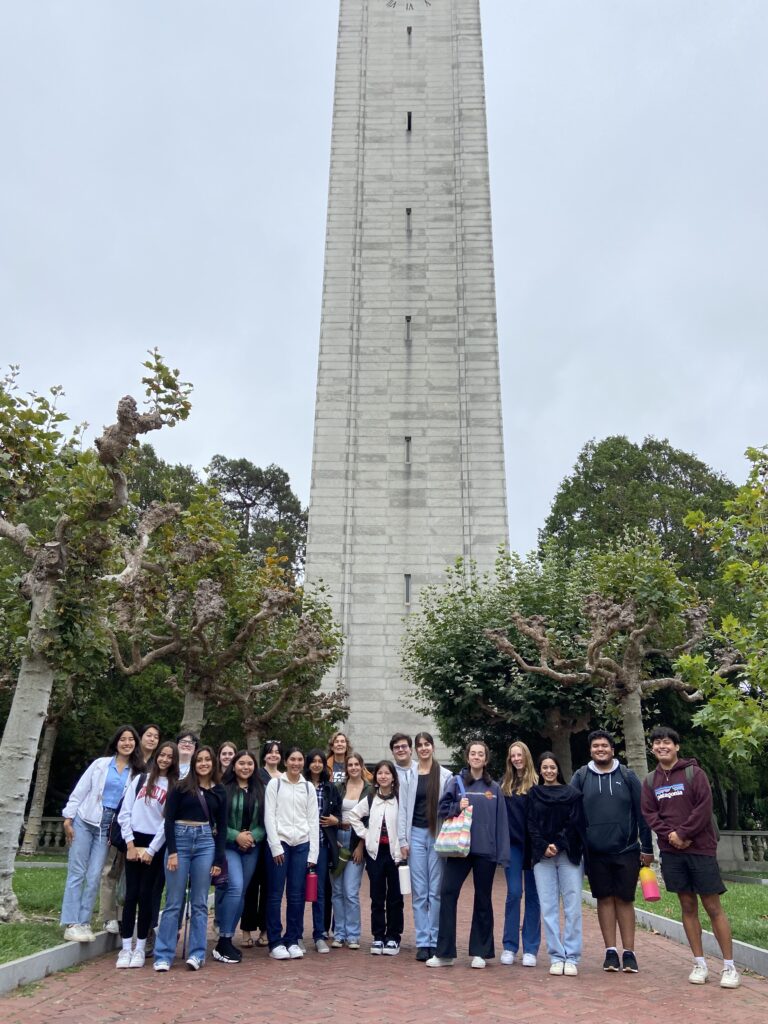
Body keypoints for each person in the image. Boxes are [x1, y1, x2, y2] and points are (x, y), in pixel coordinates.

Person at [641, 726, 740, 989]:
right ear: (652, 749)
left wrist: (683, 833)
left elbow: (704, 807)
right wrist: (671, 836)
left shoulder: (694, 773)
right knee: (687, 906)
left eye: (667, 742)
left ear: (676, 746)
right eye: (657, 743)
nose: (662, 746)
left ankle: (730, 967)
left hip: (700, 848)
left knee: (712, 906)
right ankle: (700, 963)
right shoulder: (650, 781)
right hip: (672, 852)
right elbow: (650, 814)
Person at [570, 729, 653, 974]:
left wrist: (647, 849)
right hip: (595, 852)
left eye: (604, 746)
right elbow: (571, 812)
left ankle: (629, 953)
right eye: (595, 746)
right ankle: (610, 952)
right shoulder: (581, 776)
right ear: (590, 750)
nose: (600, 749)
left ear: (612, 749)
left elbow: (643, 814)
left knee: (625, 900)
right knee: (604, 899)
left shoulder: (627, 776)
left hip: (627, 850)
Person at [427, 740, 509, 970]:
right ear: (467, 757)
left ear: (486, 758)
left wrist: (501, 854)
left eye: (480, 753)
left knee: (483, 899)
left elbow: (501, 822)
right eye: (473, 753)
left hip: (486, 852)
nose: (476, 757)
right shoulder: (455, 782)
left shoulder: (494, 788)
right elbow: (442, 810)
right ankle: (444, 953)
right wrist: (457, 807)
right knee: (448, 893)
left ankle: (481, 952)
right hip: (458, 850)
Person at [60, 725, 143, 942]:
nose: (127, 743)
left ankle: (84, 922)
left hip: (107, 828)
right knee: (77, 871)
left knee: (95, 874)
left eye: (131, 740)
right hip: (84, 821)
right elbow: (81, 790)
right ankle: (71, 922)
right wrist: (68, 819)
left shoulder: (136, 773)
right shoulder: (100, 764)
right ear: (116, 742)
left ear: (136, 744)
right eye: (123, 739)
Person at [153, 746, 226, 972]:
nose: (203, 763)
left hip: (205, 842)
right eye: (199, 760)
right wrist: (172, 851)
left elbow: (222, 828)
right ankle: (163, 954)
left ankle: (196, 953)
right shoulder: (181, 787)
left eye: (207, 760)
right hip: (180, 839)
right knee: (174, 901)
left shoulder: (220, 791)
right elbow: (168, 820)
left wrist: (218, 860)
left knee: (200, 902)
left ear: (213, 763)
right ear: (193, 763)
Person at [116, 741, 179, 968]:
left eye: (169, 757)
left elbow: (167, 822)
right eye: (162, 755)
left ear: (174, 761)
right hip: (134, 840)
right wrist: (130, 845)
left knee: (146, 896)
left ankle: (141, 946)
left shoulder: (174, 786)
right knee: (130, 894)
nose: (164, 759)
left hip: (155, 844)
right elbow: (125, 813)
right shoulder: (140, 779)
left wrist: (152, 850)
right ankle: (125, 947)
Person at [527, 752, 585, 977]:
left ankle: (572, 956)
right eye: (545, 767)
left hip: (568, 855)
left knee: (572, 907)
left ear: (558, 769)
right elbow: (530, 824)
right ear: (540, 770)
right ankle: (556, 955)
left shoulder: (573, 794)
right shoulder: (534, 794)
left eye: (552, 767)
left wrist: (558, 844)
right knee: (548, 908)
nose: (549, 771)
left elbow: (575, 824)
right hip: (542, 858)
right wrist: (543, 846)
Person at [397, 731, 451, 960]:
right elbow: (403, 810)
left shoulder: (446, 775)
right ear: (416, 750)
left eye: (426, 744)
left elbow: (451, 806)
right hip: (416, 835)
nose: (423, 748)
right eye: (419, 745)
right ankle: (422, 941)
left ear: (433, 747)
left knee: (435, 891)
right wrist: (403, 840)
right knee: (420, 892)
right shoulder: (409, 776)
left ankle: (435, 938)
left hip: (437, 835)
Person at [264, 747, 319, 960]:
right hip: (281, 844)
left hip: (302, 845)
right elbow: (269, 816)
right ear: (286, 762)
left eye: (299, 759)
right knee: (275, 894)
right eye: (292, 759)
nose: (296, 763)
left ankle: (293, 938)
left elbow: (313, 821)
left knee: (296, 895)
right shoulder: (275, 784)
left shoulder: (308, 788)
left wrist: (312, 854)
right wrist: (275, 845)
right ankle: (275, 941)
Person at [213, 749, 265, 965]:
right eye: (241, 763)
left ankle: (227, 937)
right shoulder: (223, 789)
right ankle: (223, 939)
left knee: (240, 892)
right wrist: (237, 836)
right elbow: (216, 821)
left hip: (252, 847)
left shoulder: (261, 789)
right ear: (233, 765)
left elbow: (266, 821)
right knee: (235, 887)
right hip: (229, 847)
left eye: (250, 764)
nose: (246, 767)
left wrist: (253, 836)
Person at [349, 759, 403, 955]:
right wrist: (366, 834)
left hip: (395, 854)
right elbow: (354, 816)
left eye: (387, 773)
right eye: (380, 773)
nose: (383, 776)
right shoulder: (371, 797)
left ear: (393, 777)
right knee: (377, 896)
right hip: (375, 854)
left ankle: (394, 937)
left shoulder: (400, 798)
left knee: (395, 897)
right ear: (376, 777)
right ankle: (378, 936)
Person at [499, 740, 541, 967]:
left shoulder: (537, 782)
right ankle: (509, 946)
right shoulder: (504, 784)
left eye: (519, 755)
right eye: (512, 755)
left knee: (534, 896)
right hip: (512, 847)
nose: (516, 759)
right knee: (514, 893)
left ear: (526, 756)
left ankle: (531, 948)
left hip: (534, 849)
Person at [240, 739, 283, 948]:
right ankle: (246, 929)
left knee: (270, 886)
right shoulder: (257, 777)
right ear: (264, 755)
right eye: (270, 752)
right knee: (250, 885)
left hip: (275, 839)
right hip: (255, 836)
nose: (273, 755)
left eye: (277, 752)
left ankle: (266, 929)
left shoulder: (284, 778)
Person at [331, 751, 372, 950]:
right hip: (339, 838)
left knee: (350, 890)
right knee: (337, 890)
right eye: (350, 765)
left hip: (357, 840)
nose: (353, 768)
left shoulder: (370, 789)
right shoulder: (338, 788)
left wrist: (361, 845)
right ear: (346, 768)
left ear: (362, 766)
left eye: (357, 764)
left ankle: (353, 934)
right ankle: (339, 933)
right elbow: (331, 813)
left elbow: (370, 820)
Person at [304, 748, 341, 953]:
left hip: (323, 844)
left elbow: (338, 813)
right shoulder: (301, 786)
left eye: (320, 761)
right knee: (299, 891)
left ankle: (319, 934)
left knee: (319, 892)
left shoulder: (330, 788)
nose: (317, 764)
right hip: (301, 844)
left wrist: (336, 821)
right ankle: (296, 934)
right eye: (313, 761)